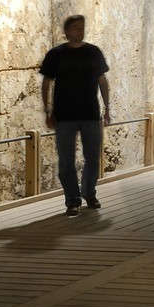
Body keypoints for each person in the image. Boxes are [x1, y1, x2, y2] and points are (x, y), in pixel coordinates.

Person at [40, 14, 111, 216]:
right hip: (65, 115)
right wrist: (48, 110)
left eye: (82, 27)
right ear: (67, 31)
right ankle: (72, 199)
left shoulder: (93, 52)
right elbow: (46, 83)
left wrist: (107, 108)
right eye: (76, 28)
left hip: (90, 113)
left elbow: (102, 81)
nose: (80, 31)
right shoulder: (56, 54)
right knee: (66, 160)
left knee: (92, 157)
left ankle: (89, 192)